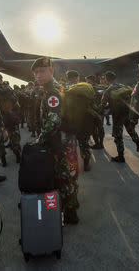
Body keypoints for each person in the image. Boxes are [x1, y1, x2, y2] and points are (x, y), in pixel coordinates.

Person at [32, 57, 79, 224]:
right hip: (61, 140)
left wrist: (39, 139)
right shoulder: (50, 89)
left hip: (61, 142)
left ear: (51, 71)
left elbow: (53, 120)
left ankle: (71, 212)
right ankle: (69, 207)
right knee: (65, 176)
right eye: (36, 72)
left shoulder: (53, 91)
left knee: (65, 176)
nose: (38, 75)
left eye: (42, 71)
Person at [101, 71, 139, 162]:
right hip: (127, 113)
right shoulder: (124, 87)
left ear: (107, 80)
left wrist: (104, 108)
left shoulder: (108, 90)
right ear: (115, 78)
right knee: (131, 131)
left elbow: (103, 104)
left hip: (117, 116)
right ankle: (138, 144)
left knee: (118, 136)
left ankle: (121, 156)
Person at [65, 70, 92, 171]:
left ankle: (72, 165)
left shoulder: (67, 89)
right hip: (84, 120)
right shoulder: (86, 87)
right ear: (78, 77)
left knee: (70, 144)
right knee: (84, 143)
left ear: (68, 78)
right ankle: (86, 164)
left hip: (71, 121)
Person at [0, 73, 22, 164]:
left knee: (0, 139)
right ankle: (17, 155)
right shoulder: (8, 89)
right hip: (11, 117)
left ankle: (3, 160)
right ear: (1, 79)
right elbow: (16, 104)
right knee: (15, 136)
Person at [86, 75, 105, 149]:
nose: (87, 82)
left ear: (90, 80)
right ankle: (101, 143)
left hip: (93, 111)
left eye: (87, 80)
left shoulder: (88, 88)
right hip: (100, 110)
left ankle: (97, 143)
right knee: (101, 128)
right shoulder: (101, 87)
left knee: (94, 128)